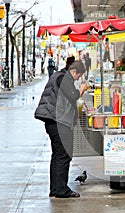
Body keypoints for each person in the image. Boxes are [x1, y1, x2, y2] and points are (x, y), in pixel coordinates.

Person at [34, 60, 89, 198]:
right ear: (74, 71)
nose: (77, 79)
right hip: (57, 121)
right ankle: (61, 190)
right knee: (64, 155)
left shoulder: (59, 76)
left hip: (54, 120)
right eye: (78, 76)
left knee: (58, 155)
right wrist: (81, 90)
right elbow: (73, 96)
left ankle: (56, 188)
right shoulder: (63, 78)